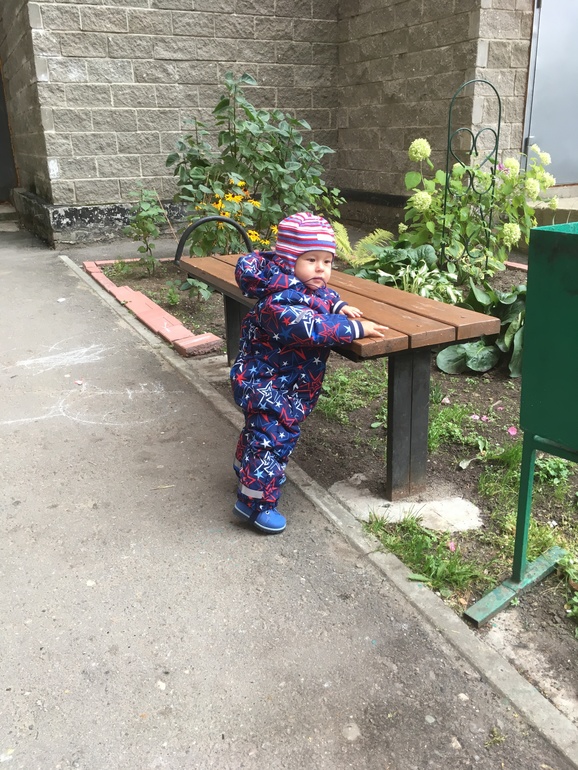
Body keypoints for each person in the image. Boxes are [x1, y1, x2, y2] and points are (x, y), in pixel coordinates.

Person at [230, 212, 388, 534]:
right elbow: (309, 327)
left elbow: (321, 296)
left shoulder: (301, 286)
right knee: (272, 441)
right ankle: (255, 504)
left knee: (260, 434)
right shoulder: (277, 303)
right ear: (289, 261)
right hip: (268, 384)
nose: (321, 269)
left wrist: (339, 306)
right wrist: (355, 327)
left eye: (327, 261)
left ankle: (245, 469)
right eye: (311, 260)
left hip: (284, 381)